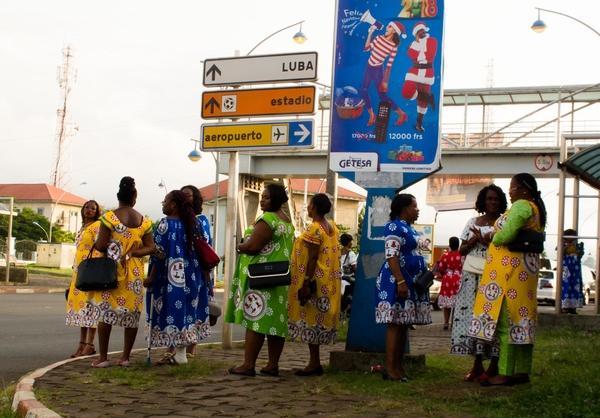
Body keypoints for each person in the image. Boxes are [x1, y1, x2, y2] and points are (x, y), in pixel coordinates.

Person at [469, 173, 547, 386]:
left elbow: (507, 234)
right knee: (522, 322)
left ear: (523, 189)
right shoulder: (535, 208)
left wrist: (492, 235)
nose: (510, 191)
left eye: (512, 187)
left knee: (507, 323)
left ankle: (504, 372)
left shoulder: (522, 205)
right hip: (523, 274)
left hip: (510, 275)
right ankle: (522, 371)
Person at [225, 184, 294, 377]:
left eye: (267, 197)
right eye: (262, 197)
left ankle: (248, 365)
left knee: (255, 320)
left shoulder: (267, 219)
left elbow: (254, 246)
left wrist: (241, 246)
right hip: (279, 277)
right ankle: (272, 365)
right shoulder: (287, 222)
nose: (262, 200)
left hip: (261, 277)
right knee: (275, 322)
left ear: (277, 200)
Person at [87, 176, 155, 368]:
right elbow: (150, 247)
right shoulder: (144, 221)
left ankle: (103, 358)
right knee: (131, 316)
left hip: (111, 271)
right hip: (133, 273)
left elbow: (100, 246)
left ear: (118, 196)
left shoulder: (108, 218)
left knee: (105, 315)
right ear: (134, 197)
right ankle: (125, 357)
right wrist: (133, 251)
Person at [144, 190, 210, 365]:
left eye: (165, 201)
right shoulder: (194, 224)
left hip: (171, 279)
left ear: (173, 204)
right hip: (192, 278)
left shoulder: (165, 224)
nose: (163, 204)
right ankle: (180, 354)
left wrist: (151, 276)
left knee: (171, 312)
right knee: (186, 312)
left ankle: (179, 355)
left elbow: (158, 254)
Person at [450, 184, 507, 382]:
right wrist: (474, 239)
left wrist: (488, 241)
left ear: (501, 202)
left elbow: (507, 247)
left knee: (494, 318)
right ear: (483, 201)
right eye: (489, 199)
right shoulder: (472, 221)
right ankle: (476, 365)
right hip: (472, 277)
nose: (492, 202)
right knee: (473, 319)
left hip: (494, 277)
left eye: (496, 199)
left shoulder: (503, 223)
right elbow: (461, 251)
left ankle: (493, 366)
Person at [374, 193, 431, 381]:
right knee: (394, 325)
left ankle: (398, 367)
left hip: (409, 282)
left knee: (403, 324)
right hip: (395, 281)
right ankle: (390, 368)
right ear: (404, 208)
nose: (417, 210)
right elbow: (392, 256)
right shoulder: (393, 226)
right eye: (414, 206)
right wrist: (400, 281)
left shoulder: (409, 229)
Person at [288, 193, 341, 376]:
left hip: (315, 281)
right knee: (318, 320)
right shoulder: (332, 228)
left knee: (311, 319)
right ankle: (315, 361)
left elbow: (312, 258)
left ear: (315, 208)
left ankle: (314, 363)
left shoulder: (314, 229)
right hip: (329, 282)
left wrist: (306, 282)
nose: (308, 208)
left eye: (310, 205)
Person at [181, 184, 215, 357]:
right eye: (183, 195)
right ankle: (176, 346)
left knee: (196, 306)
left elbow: (206, 245)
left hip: (198, 269)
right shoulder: (176, 218)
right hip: (180, 270)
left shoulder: (201, 220)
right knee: (181, 306)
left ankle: (191, 347)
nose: (186, 198)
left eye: (189, 195)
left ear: (195, 199)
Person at [66, 200, 101, 357]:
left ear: (97, 211)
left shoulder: (98, 226)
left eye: (93, 208)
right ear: (82, 210)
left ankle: (90, 344)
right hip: (79, 271)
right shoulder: (81, 228)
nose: (89, 210)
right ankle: (81, 344)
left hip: (91, 271)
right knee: (81, 310)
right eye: (87, 208)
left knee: (91, 309)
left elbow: (101, 248)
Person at [360, 21, 408, 127]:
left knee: (382, 96)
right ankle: (372, 115)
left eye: (389, 26)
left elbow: (389, 65)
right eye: (387, 26)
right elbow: (366, 48)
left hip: (378, 70)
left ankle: (401, 114)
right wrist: (370, 33)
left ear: (395, 31)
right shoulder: (378, 38)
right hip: (369, 67)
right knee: (363, 91)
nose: (387, 27)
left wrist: (385, 81)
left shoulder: (393, 47)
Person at [401, 22, 438, 132]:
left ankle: (419, 123)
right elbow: (412, 56)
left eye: (422, 30)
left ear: (425, 30)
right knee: (406, 92)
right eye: (418, 32)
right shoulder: (414, 43)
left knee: (422, 104)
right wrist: (418, 45)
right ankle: (426, 96)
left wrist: (419, 53)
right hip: (415, 71)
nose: (421, 33)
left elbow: (429, 55)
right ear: (416, 34)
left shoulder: (433, 41)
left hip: (427, 73)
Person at [435, 236, 462, 330]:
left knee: (447, 303)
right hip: (459, 279)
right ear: (458, 244)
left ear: (450, 244)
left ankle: (446, 323)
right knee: (457, 303)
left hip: (447, 280)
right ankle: (455, 323)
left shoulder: (445, 255)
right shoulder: (462, 255)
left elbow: (441, 268)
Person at [560, 229, 584, 314]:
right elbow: (560, 253)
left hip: (575, 269)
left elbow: (580, 254)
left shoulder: (578, 245)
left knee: (575, 287)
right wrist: (566, 246)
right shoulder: (562, 245)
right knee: (566, 286)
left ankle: (573, 307)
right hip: (567, 269)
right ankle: (565, 306)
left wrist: (574, 248)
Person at [340, 233, 358, 317]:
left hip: (338, 278)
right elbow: (355, 268)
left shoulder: (338, 252)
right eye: (350, 241)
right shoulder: (351, 254)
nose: (351, 243)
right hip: (347, 279)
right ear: (348, 242)